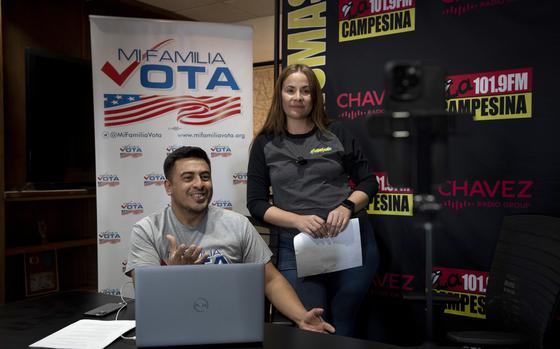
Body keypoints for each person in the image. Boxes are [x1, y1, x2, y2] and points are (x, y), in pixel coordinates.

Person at [125, 146, 334, 334]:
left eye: (205, 177)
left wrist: (301, 317)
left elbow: (270, 280)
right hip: (172, 328)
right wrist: (176, 277)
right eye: (188, 178)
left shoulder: (237, 224)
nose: (200, 184)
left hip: (231, 327)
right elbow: (147, 299)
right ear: (168, 187)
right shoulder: (148, 230)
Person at [247, 64, 379, 337]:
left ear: (315, 97)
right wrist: (297, 220)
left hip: (350, 243)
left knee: (343, 321)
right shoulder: (264, 143)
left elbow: (368, 182)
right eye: (291, 90)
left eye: (306, 91)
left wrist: (347, 206)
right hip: (297, 248)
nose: (298, 97)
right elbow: (257, 203)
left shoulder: (336, 133)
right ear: (280, 96)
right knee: (312, 323)